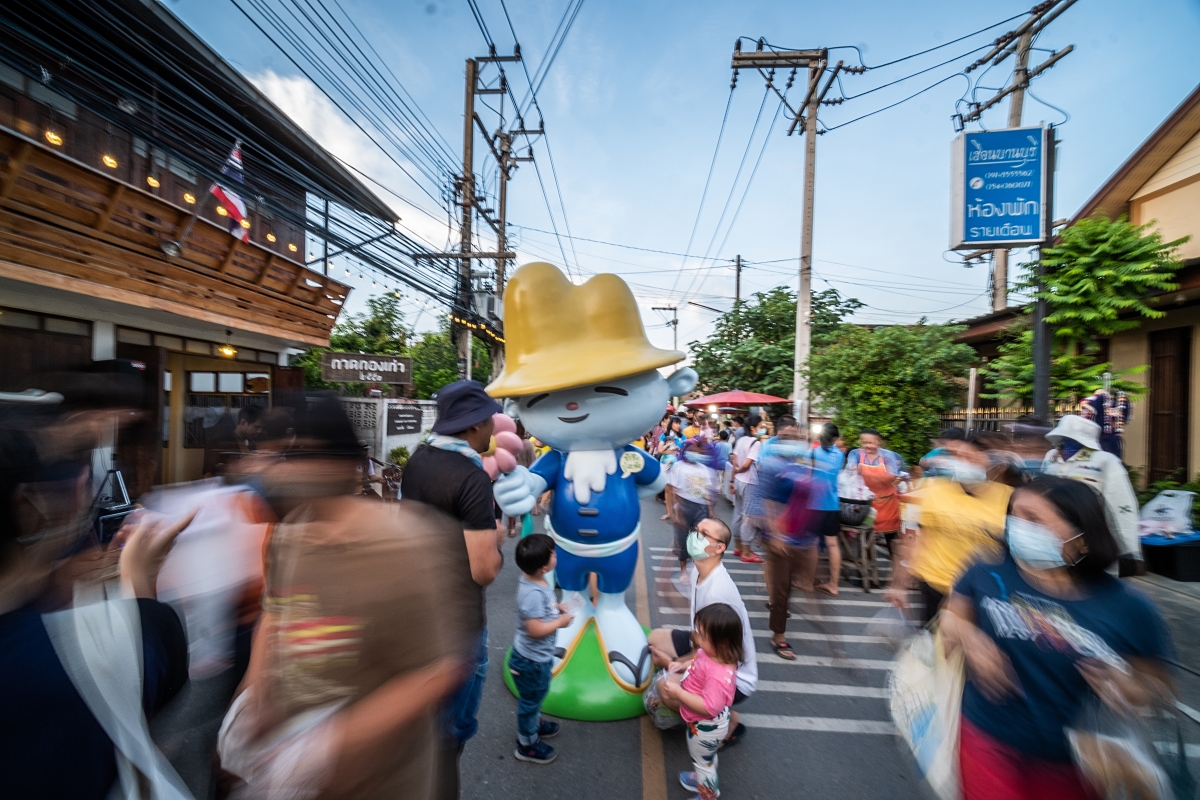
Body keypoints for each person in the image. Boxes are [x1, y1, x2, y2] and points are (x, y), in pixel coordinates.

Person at [220, 396, 476, 800]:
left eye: (303, 455)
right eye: (285, 456)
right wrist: (252, 697)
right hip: (290, 772)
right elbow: (275, 615)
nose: (287, 471)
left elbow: (437, 670)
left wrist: (328, 750)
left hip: (386, 781)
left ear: (343, 464)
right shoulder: (290, 535)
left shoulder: (407, 544)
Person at [940, 476, 1172, 800]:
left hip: (1077, 760)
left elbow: (1158, 688)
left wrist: (1128, 687)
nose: (1018, 527)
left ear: (1083, 540)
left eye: (1034, 519)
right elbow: (952, 616)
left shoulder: (1130, 609)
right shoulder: (987, 569)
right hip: (987, 736)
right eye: (1015, 515)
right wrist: (970, 637)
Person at [399, 379, 504, 798]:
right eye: (490, 422)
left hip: (417, 610)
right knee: (451, 735)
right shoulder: (471, 478)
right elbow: (484, 571)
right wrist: (496, 541)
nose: (495, 430)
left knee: (422, 727)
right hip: (458, 623)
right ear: (475, 425)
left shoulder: (418, 460)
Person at [647, 518, 756, 750]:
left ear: (719, 548)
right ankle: (695, 702)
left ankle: (726, 721)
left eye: (704, 533)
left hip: (729, 670)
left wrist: (674, 664)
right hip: (705, 644)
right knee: (655, 638)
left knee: (667, 688)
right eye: (696, 530)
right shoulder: (700, 570)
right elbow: (694, 625)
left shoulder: (719, 591)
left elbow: (719, 656)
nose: (695, 535)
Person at [888, 432, 1012, 624]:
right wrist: (899, 585)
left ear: (995, 464)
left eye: (970, 458)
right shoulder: (935, 491)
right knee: (934, 648)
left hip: (986, 595)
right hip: (936, 586)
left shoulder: (1010, 499)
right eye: (958, 457)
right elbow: (914, 540)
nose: (962, 463)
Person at [659, 603, 744, 798]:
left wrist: (679, 694)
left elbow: (709, 706)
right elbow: (697, 660)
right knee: (705, 757)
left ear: (721, 643)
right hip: (701, 722)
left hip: (707, 724)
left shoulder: (718, 676)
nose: (696, 637)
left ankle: (708, 793)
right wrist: (681, 666)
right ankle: (702, 776)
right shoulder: (710, 653)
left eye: (702, 635)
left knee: (703, 761)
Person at [1041, 415, 1141, 573]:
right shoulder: (1050, 458)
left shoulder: (1105, 461)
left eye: (1071, 437)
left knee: (1094, 585)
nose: (1066, 441)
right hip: (1050, 536)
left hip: (1091, 539)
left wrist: (1129, 549)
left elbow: (1121, 505)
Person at [755, 419, 818, 660]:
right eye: (786, 436)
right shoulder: (770, 464)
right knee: (782, 591)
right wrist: (774, 534)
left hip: (804, 535)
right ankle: (778, 636)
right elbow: (766, 500)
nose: (792, 440)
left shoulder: (806, 465)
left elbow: (809, 500)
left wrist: (812, 535)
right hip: (779, 536)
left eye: (796, 436)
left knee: (802, 586)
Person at [511, 534, 574, 765]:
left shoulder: (536, 580)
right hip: (530, 661)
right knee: (530, 701)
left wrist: (556, 607)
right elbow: (534, 629)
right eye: (554, 554)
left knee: (536, 695)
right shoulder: (531, 593)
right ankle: (526, 744)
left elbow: (543, 605)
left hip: (537, 658)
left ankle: (534, 723)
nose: (556, 555)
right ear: (544, 566)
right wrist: (561, 622)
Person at [845, 429, 905, 556]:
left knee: (892, 540)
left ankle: (896, 568)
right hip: (866, 505)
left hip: (887, 504)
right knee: (864, 540)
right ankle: (864, 572)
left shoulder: (888, 456)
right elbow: (850, 472)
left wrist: (862, 471)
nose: (867, 446)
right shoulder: (855, 454)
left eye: (871, 443)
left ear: (879, 442)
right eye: (864, 442)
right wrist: (879, 476)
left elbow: (892, 476)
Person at [670, 440, 720, 582]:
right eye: (693, 450)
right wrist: (677, 513)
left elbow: (706, 491)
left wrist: (710, 510)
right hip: (684, 506)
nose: (696, 454)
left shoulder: (703, 468)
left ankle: (698, 570)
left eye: (698, 451)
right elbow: (675, 491)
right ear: (685, 451)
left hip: (701, 508)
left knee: (700, 541)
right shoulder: (678, 467)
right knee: (683, 541)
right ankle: (683, 572)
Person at [809, 423, 847, 596]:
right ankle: (833, 584)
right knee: (832, 544)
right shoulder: (840, 456)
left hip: (813, 504)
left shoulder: (812, 453)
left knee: (813, 544)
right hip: (832, 505)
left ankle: (808, 580)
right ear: (835, 439)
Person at [729, 414, 763, 561]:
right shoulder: (756, 443)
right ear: (753, 428)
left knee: (738, 513)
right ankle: (747, 552)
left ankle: (737, 547)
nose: (762, 429)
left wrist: (732, 479)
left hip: (738, 481)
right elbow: (747, 464)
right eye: (761, 427)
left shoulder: (740, 440)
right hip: (749, 482)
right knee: (748, 516)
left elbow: (734, 462)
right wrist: (740, 470)